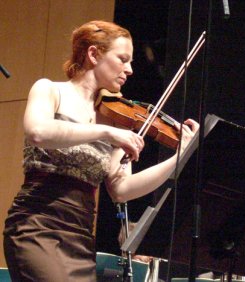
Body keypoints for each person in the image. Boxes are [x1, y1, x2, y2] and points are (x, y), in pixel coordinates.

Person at [3, 20, 199, 281]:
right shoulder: (50, 90)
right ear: (93, 54)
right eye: (122, 59)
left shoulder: (117, 118)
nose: (130, 69)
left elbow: (121, 189)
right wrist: (105, 132)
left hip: (81, 237)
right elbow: (38, 132)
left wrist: (179, 158)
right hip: (36, 226)